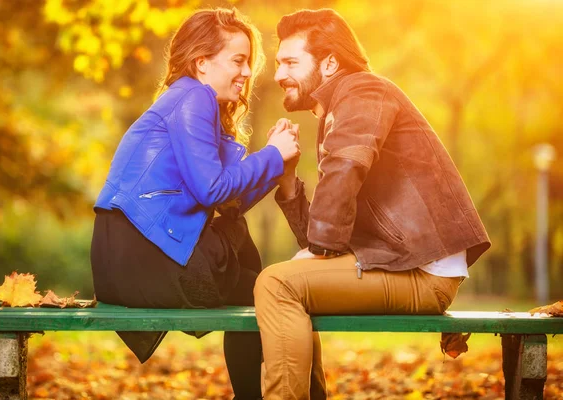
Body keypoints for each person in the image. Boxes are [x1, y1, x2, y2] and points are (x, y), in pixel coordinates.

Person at [254, 9, 491, 400]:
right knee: (288, 282)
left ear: (330, 63)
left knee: (277, 284)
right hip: (399, 263)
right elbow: (321, 236)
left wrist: (318, 250)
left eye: (290, 62)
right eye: (279, 63)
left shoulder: (363, 91)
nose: (279, 74)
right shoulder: (343, 106)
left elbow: (344, 171)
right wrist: (286, 179)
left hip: (421, 272)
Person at [90, 8, 299, 400]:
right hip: (145, 255)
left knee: (257, 285)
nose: (247, 73)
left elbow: (227, 200)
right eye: (238, 60)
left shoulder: (183, 100)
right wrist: (271, 154)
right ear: (201, 63)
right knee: (265, 290)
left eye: (249, 63)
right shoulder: (195, 96)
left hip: (121, 262)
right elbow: (212, 191)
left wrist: (276, 166)